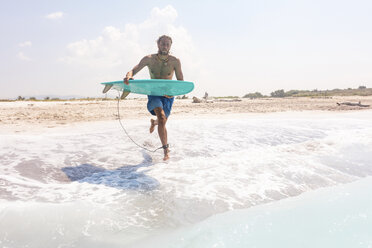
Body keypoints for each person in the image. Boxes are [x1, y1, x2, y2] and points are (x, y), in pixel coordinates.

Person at [123, 35, 184, 161]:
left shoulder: (175, 61)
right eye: (163, 44)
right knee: (162, 117)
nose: (165, 46)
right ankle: (166, 150)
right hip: (154, 93)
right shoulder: (149, 59)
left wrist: (173, 93)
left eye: (167, 44)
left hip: (168, 95)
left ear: (170, 46)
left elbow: (181, 82)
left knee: (162, 121)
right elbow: (133, 71)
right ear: (158, 44)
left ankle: (154, 122)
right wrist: (128, 76)